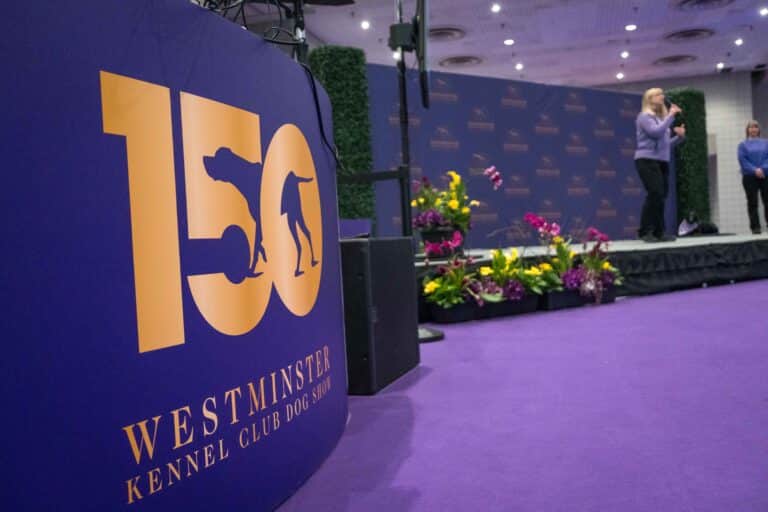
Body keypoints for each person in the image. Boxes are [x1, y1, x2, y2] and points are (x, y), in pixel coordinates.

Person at [634, 88, 686, 242]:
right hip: (646, 160)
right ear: (649, 99)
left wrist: (679, 137)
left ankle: (659, 232)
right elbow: (655, 132)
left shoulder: (661, 119)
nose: (662, 96)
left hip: (662, 161)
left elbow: (665, 145)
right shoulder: (644, 117)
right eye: (658, 94)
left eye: (662, 94)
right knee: (655, 193)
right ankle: (645, 231)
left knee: (661, 196)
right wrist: (671, 115)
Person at [737, 120, 768, 234]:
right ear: (747, 130)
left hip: (766, 174)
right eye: (751, 127)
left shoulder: (766, 143)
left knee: (767, 200)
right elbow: (742, 160)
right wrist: (755, 170)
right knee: (752, 202)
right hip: (750, 176)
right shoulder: (742, 145)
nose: (753, 129)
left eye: (755, 127)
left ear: (759, 130)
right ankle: (755, 227)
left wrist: (762, 169)